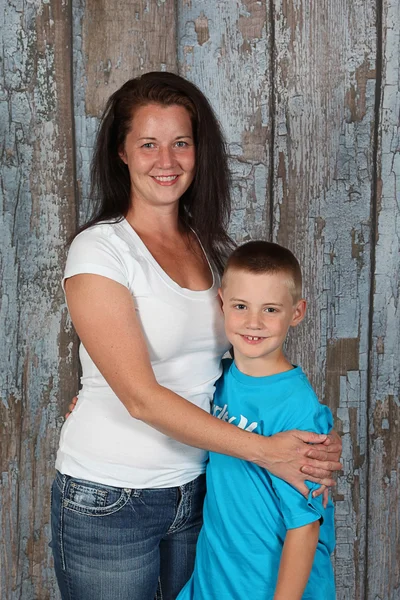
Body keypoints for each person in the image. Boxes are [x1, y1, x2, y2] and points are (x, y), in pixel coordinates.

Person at [51, 71, 341, 600]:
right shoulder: (100, 251)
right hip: (111, 495)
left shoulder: (211, 249)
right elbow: (140, 398)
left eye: (180, 143)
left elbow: (240, 365)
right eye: (148, 144)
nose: (167, 160)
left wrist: (311, 439)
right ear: (121, 152)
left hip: (203, 489)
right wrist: (269, 451)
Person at [178, 240, 336, 600]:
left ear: (297, 313)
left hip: (270, 587)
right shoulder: (217, 378)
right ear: (222, 303)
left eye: (270, 309)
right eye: (240, 306)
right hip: (215, 580)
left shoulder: (297, 408)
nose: (253, 322)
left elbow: (306, 526)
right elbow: (159, 402)